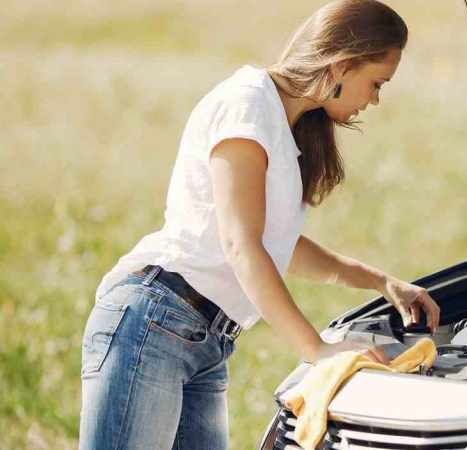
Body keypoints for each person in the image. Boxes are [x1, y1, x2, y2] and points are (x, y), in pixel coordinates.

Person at [78, 1, 441, 449]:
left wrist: (383, 282)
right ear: (343, 65)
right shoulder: (247, 104)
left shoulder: (287, 125)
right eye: (377, 83)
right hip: (154, 325)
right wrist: (317, 350)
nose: (375, 99)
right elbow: (240, 244)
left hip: (207, 342)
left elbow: (281, 245)